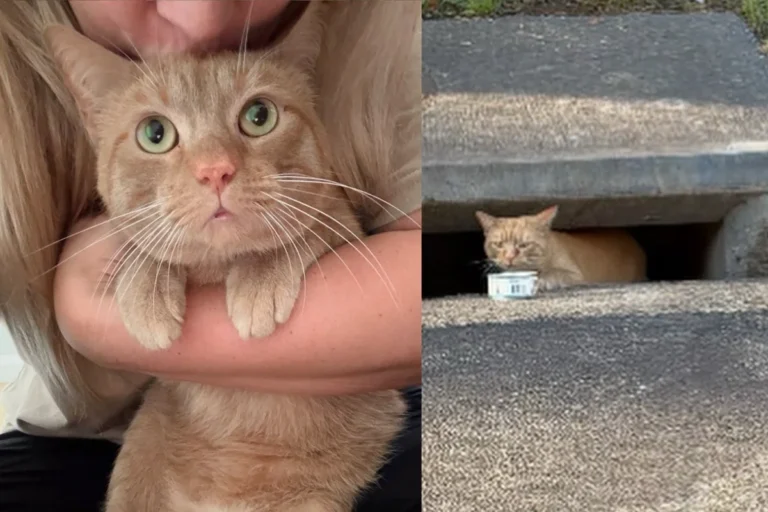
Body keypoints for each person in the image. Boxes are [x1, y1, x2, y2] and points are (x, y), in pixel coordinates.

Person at [0, 1, 421, 511]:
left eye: (256, 116)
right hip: (109, 442)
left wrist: (101, 320)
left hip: (324, 462)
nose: (216, 166)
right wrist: (125, 247)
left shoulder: (386, 33)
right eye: (158, 134)